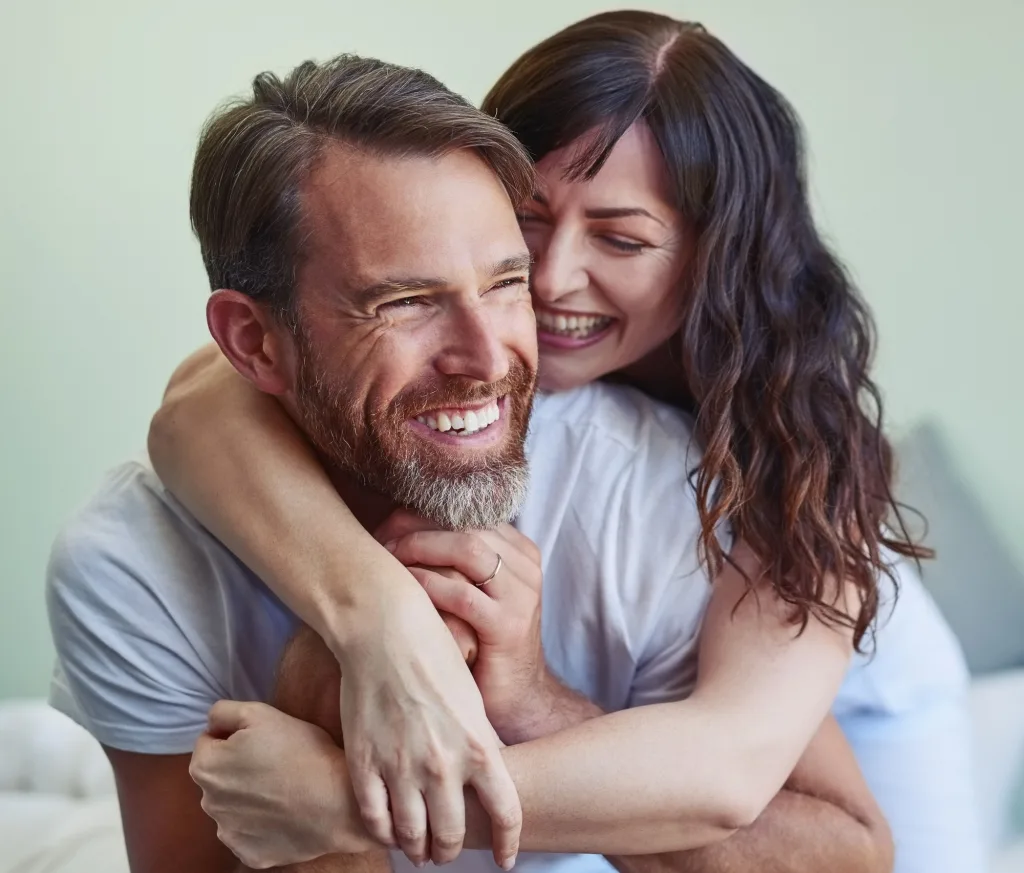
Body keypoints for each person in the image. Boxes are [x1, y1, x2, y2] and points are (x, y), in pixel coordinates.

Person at [146, 12, 982, 873]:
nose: (547, 279)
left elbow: (731, 772)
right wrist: (380, 621)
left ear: (716, 258)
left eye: (621, 238)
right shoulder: (474, 354)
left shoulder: (800, 450)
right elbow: (196, 405)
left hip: (848, 701)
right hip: (636, 721)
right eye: (527, 219)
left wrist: (357, 802)